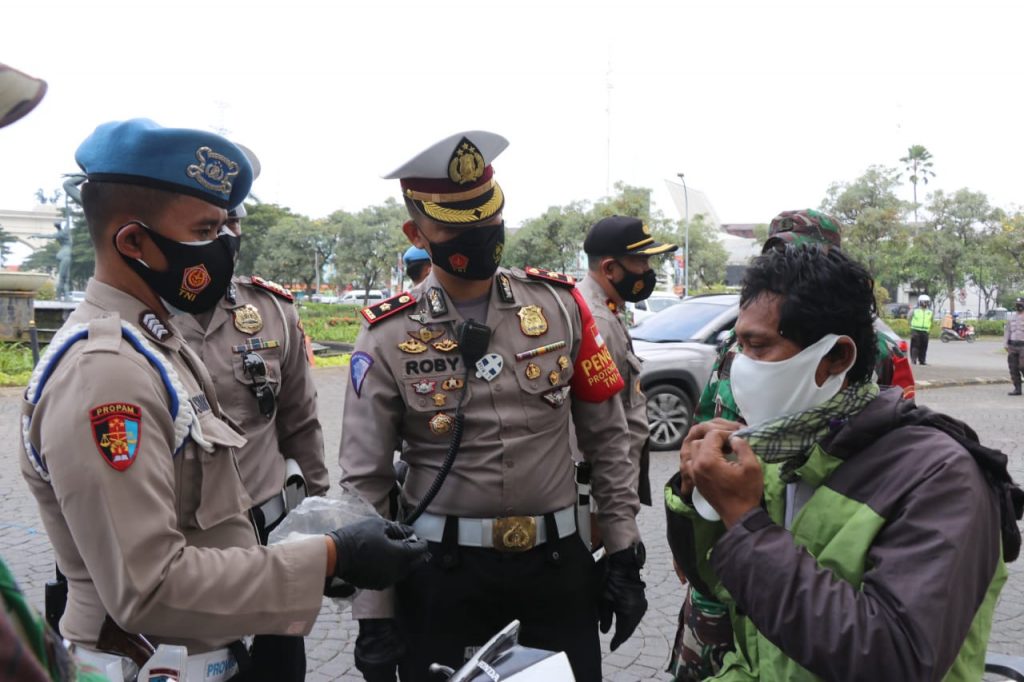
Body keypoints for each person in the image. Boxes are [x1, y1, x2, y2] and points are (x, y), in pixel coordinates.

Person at [20, 118, 427, 681]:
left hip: (202, 654)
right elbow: (150, 586)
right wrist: (333, 556)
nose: (228, 245)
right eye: (207, 230)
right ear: (133, 241)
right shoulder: (105, 376)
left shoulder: (152, 343)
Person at [338, 131, 646, 682]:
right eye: (459, 226)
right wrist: (373, 612)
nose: (481, 236)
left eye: (489, 219)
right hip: (441, 575)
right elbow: (365, 481)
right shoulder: (386, 334)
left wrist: (623, 551)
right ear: (417, 232)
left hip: (554, 571)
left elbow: (608, 437)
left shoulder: (560, 307)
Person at [668, 245, 1017, 680]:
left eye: (759, 347)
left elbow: (894, 659)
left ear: (836, 358)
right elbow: (735, 604)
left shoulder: (941, 478)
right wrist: (696, 495)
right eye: (738, 345)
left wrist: (743, 520)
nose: (741, 367)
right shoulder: (776, 450)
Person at [173, 150, 330, 679]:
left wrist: (322, 518)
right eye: (209, 223)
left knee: (280, 670)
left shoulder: (270, 311)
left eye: (232, 221)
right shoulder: (138, 319)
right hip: (184, 556)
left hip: (271, 542)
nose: (225, 235)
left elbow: (301, 423)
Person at [580, 215, 678, 505]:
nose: (648, 271)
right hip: (608, 492)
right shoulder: (598, 320)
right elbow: (602, 429)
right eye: (640, 262)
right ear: (610, 268)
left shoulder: (605, 308)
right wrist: (609, 508)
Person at [1004, 297, 1024, 396]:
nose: (1018, 305)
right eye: (1017, 304)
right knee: (1013, 368)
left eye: (1020, 303)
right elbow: (1007, 331)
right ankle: (1017, 389)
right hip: (1012, 345)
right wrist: (1005, 344)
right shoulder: (1011, 317)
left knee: (1022, 366)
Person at [909, 294, 934, 365]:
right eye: (924, 302)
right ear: (920, 302)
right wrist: (911, 326)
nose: (925, 303)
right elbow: (909, 318)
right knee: (915, 345)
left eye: (927, 302)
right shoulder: (915, 310)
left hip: (925, 331)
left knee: (924, 346)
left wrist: (929, 329)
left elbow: (931, 321)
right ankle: (913, 360)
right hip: (915, 330)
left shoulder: (930, 311)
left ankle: (922, 360)